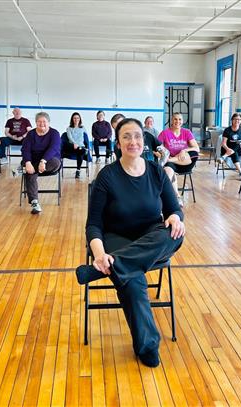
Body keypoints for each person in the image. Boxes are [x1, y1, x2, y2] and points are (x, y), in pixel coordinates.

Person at [78, 118, 185, 368]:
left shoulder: (156, 171)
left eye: (137, 136)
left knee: (174, 233)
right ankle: (147, 346)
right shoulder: (107, 176)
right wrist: (99, 253)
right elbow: (93, 224)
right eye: (126, 136)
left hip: (153, 236)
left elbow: (174, 210)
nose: (133, 141)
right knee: (133, 280)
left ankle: (116, 266)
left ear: (144, 141)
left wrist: (176, 217)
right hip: (117, 237)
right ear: (118, 142)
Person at [21, 112, 61, 214]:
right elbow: (25, 149)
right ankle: (35, 202)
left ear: (49, 122)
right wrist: (28, 162)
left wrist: (43, 161)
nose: (42, 123)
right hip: (33, 160)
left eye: (44, 121)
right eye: (39, 121)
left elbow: (54, 148)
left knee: (55, 163)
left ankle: (26, 169)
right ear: (36, 123)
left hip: (49, 161)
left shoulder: (54, 133)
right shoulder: (31, 134)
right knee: (30, 170)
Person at [158, 112, 200, 206]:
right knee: (168, 171)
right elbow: (156, 148)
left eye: (180, 119)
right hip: (171, 165)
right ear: (172, 120)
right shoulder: (165, 133)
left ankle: (168, 160)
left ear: (182, 121)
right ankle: (176, 197)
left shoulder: (187, 132)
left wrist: (184, 150)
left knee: (194, 153)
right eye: (175, 119)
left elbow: (196, 148)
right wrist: (161, 154)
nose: (177, 121)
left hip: (184, 162)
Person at [63, 112, 89, 178]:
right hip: (71, 146)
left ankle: (78, 170)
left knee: (81, 151)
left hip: (80, 147)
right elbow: (70, 138)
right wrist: (74, 144)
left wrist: (85, 145)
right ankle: (83, 150)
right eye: (74, 118)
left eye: (77, 118)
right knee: (66, 144)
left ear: (80, 119)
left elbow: (86, 137)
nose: (76, 119)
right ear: (72, 119)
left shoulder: (83, 128)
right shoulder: (69, 128)